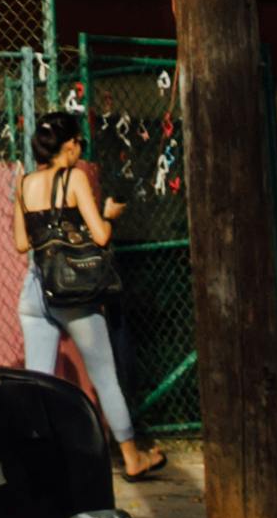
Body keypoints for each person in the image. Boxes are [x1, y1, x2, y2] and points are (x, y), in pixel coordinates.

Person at [17, 106, 166, 482]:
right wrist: (109, 214)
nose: (81, 146)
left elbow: (22, 243)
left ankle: (35, 462)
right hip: (74, 295)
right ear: (67, 146)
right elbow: (100, 236)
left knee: (38, 380)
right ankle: (133, 457)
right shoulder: (75, 178)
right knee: (104, 376)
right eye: (79, 140)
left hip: (35, 291)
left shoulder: (24, 183)